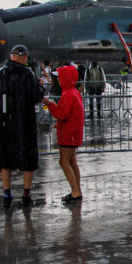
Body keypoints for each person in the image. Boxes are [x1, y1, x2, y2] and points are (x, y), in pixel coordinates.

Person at [0, 44, 44, 208]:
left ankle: (7, 194)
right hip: (24, 123)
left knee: (5, 160)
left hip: (2, 124)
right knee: (27, 158)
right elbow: (36, 96)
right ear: (24, 57)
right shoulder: (27, 74)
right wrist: (41, 86)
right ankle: (26, 194)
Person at [44, 65, 85, 203]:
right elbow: (72, 114)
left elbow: (63, 113)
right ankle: (77, 190)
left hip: (69, 133)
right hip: (73, 131)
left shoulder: (67, 94)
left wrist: (49, 105)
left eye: (60, 77)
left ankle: (75, 191)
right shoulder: (74, 92)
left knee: (64, 161)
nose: (59, 80)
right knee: (72, 161)